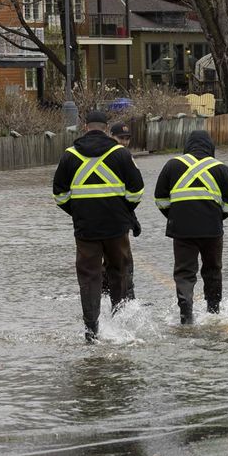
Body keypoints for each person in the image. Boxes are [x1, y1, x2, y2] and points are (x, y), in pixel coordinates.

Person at [52, 110, 144, 343]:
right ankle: (119, 323)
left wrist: (78, 212)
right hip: (116, 227)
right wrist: (123, 212)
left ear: (84, 126)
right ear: (106, 128)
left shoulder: (69, 156)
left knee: (89, 277)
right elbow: (136, 191)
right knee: (118, 272)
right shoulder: (120, 154)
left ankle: (92, 330)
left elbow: (60, 195)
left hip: (86, 229)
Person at [155, 130, 228, 324]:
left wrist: (175, 216)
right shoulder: (221, 168)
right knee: (213, 270)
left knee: (184, 272)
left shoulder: (172, 165)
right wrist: (217, 217)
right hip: (212, 230)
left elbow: (160, 199)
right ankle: (213, 312)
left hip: (182, 231)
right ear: (210, 147)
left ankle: (186, 315)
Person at [106, 120, 140, 299]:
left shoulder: (125, 156)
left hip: (115, 217)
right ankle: (124, 298)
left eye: (127, 138)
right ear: (111, 136)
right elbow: (135, 191)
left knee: (117, 261)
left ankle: (118, 298)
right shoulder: (119, 156)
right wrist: (127, 212)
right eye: (121, 138)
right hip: (115, 219)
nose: (125, 142)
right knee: (123, 260)